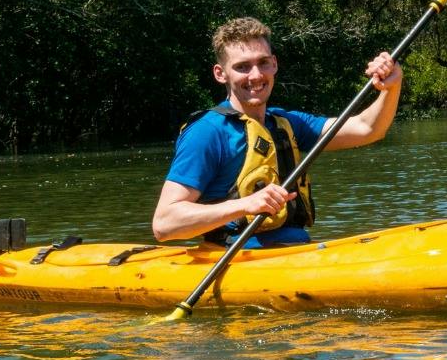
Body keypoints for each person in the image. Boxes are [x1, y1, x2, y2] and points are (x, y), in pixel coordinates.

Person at [152, 17, 403, 246]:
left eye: (263, 63)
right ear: (221, 74)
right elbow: (164, 224)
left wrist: (391, 87)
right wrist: (244, 205)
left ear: (274, 64)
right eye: (242, 67)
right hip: (238, 258)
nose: (256, 75)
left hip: (294, 251)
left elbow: (368, 128)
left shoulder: (287, 123)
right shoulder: (208, 132)